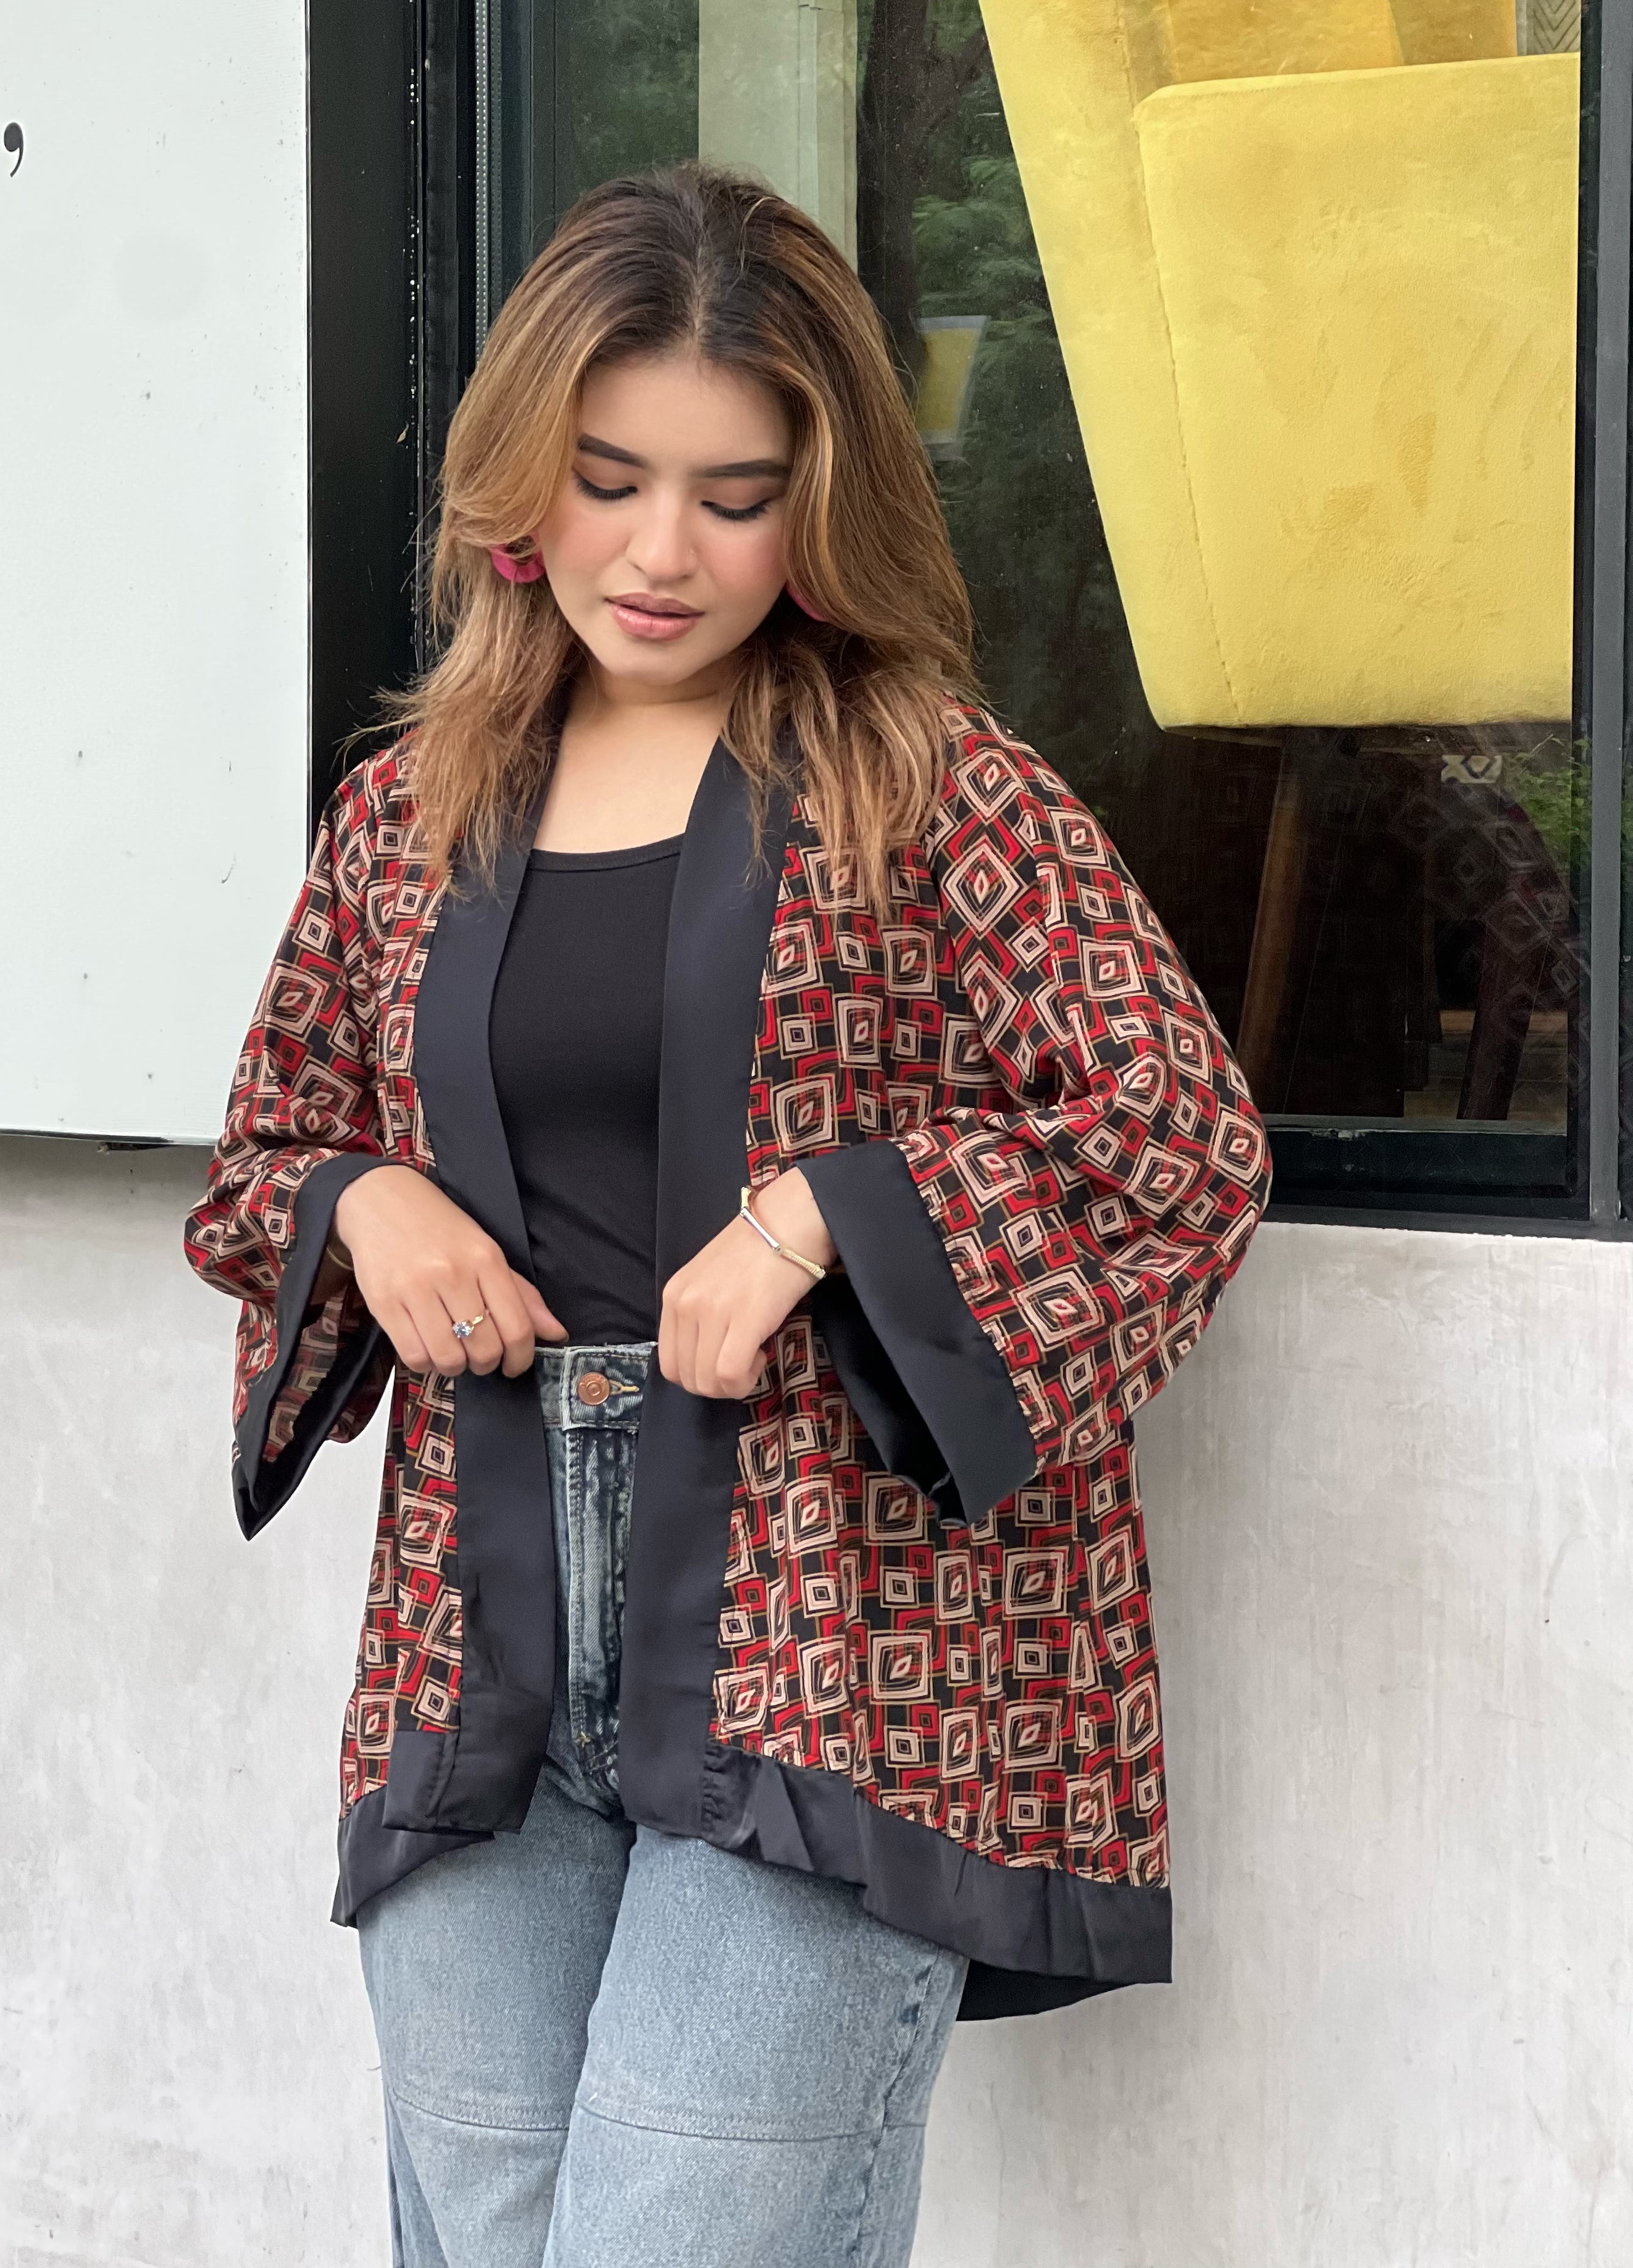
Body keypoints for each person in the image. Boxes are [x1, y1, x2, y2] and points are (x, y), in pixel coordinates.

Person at [185, 164, 1271, 2267]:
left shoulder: (931, 781)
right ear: (523, 473)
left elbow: (1176, 1136)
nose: (662, 552)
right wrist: (365, 1198)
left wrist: (824, 1219)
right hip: (479, 1631)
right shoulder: (413, 808)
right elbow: (263, 1152)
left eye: (735, 493)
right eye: (606, 479)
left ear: (823, 505)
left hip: (830, 1634)